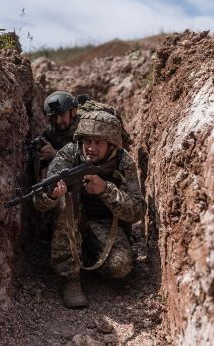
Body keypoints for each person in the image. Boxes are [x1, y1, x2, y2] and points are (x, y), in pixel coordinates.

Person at [33, 110, 145, 308]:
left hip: (105, 223)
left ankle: (86, 255)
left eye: (98, 142)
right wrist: (52, 196)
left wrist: (106, 190)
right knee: (65, 202)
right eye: (87, 142)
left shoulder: (123, 162)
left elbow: (137, 211)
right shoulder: (68, 154)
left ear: (111, 144)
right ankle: (70, 276)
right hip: (71, 219)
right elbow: (38, 203)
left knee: (121, 268)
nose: (91, 148)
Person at [39, 91, 80, 163]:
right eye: (54, 116)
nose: (58, 121)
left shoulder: (83, 131)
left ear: (73, 112)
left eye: (62, 115)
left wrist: (55, 154)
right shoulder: (51, 130)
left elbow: (87, 160)